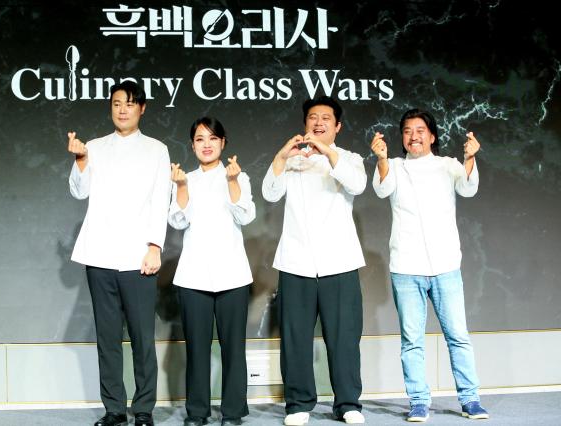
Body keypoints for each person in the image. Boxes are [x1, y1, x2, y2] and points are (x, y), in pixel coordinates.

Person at [370, 108, 489, 422]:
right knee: (412, 340)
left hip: (445, 264)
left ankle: (470, 399)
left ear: (432, 135)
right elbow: (381, 189)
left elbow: (468, 188)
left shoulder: (448, 166)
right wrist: (381, 158)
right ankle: (419, 401)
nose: (413, 136)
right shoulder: (394, 166)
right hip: (406, 266)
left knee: (458, 335)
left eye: (420, 130)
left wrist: (471, 158)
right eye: (407, 131)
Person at [67, 80, 170, 426]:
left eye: (129, 103)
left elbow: (160, 200)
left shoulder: (157, 149)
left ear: (142, 108)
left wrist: (155, 246)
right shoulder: (93, 147)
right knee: (107, 337)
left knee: (142, 337)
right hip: (100, 254)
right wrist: (81, 160)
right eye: (116, 103)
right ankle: (114, 409)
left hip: (139, 256)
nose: (122, 109)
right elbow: (79, 192)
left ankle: (143, 409)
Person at [262, 96, 367, 425]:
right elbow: (269, 192)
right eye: (312, 117)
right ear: (304, 123)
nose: (318, 122)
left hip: (339, 262)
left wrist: (327, 152)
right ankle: (298, 404)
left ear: (337, 126)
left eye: (325, 118)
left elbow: (358, 184)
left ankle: (348, 403)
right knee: (294, 338)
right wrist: (282, 157)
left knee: (344, 338)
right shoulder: (292, 160)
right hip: (296, 262)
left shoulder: (348, 158)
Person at [168, 117, 255, 426]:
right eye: (200, 139)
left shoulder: (239, 176)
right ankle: (197, 411)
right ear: (192, 145)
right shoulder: (184, 179)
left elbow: (246, 215)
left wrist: (232, 182)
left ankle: (232, 412)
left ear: (223, 142)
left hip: (232, 274)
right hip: (194, 275)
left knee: (234, 348)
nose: (206, 144)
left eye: (212, 138)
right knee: (197, 349)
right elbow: (177, 221)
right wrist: (180, 187)